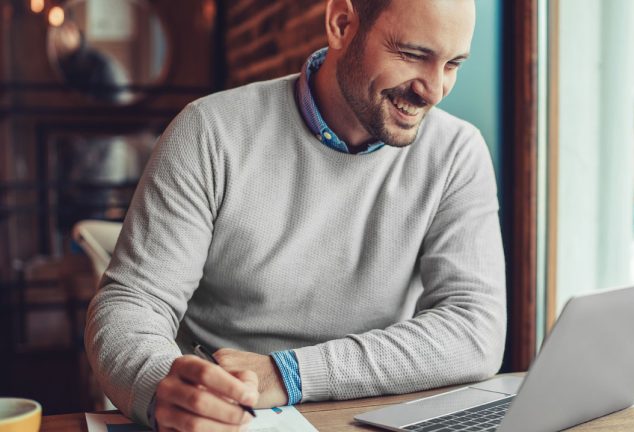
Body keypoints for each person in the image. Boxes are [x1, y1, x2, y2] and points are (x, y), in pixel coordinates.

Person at [85, 0, 506, 430]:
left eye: (452, 63)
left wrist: (288, 373)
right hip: (231, 415)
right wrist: (161, 387)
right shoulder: (209, 132)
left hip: (372, 413)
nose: (433, 90)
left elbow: (475, 328)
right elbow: (132, 303)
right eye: (413, 55)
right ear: (342, 24)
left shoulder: (457, 153)